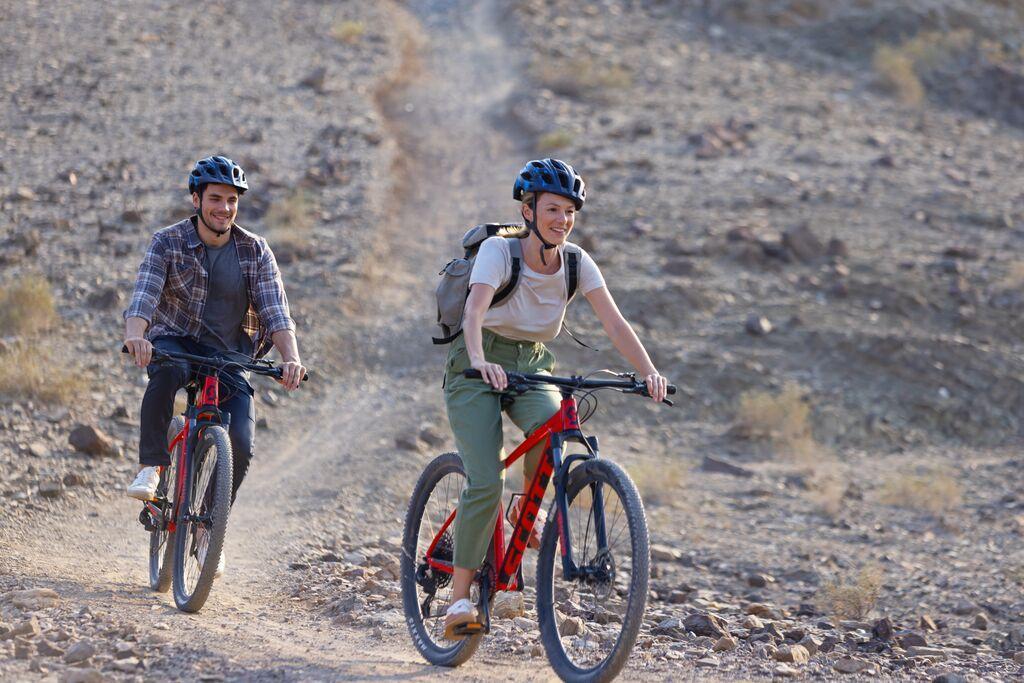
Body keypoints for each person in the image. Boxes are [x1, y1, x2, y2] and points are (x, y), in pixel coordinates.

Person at [442, 158, 669, 638]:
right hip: (477, 362)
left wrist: (649, 373)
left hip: (532, 364)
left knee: (557, 429)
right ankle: (459, 599)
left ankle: (526, 509)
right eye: (552, 209)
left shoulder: (576, 262)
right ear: (528, 211)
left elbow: (614, 322)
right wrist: (481, 360)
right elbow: (475, 311)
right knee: (485, 479)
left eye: (569, 211)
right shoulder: (500, 253)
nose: (562, 220)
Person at [122, 155, 306, 574]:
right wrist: (136, 335)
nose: (224, 208)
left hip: (229, 356)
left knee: (240, 439)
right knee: (166, 374)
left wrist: (292, 360)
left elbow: (277, 312)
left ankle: (208, 529)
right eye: (215, 199)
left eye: (231, 200)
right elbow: (145, 296)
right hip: (177, 341)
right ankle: (152, 466)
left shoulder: (255, 250)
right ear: (196, 199)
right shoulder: (166, 242)